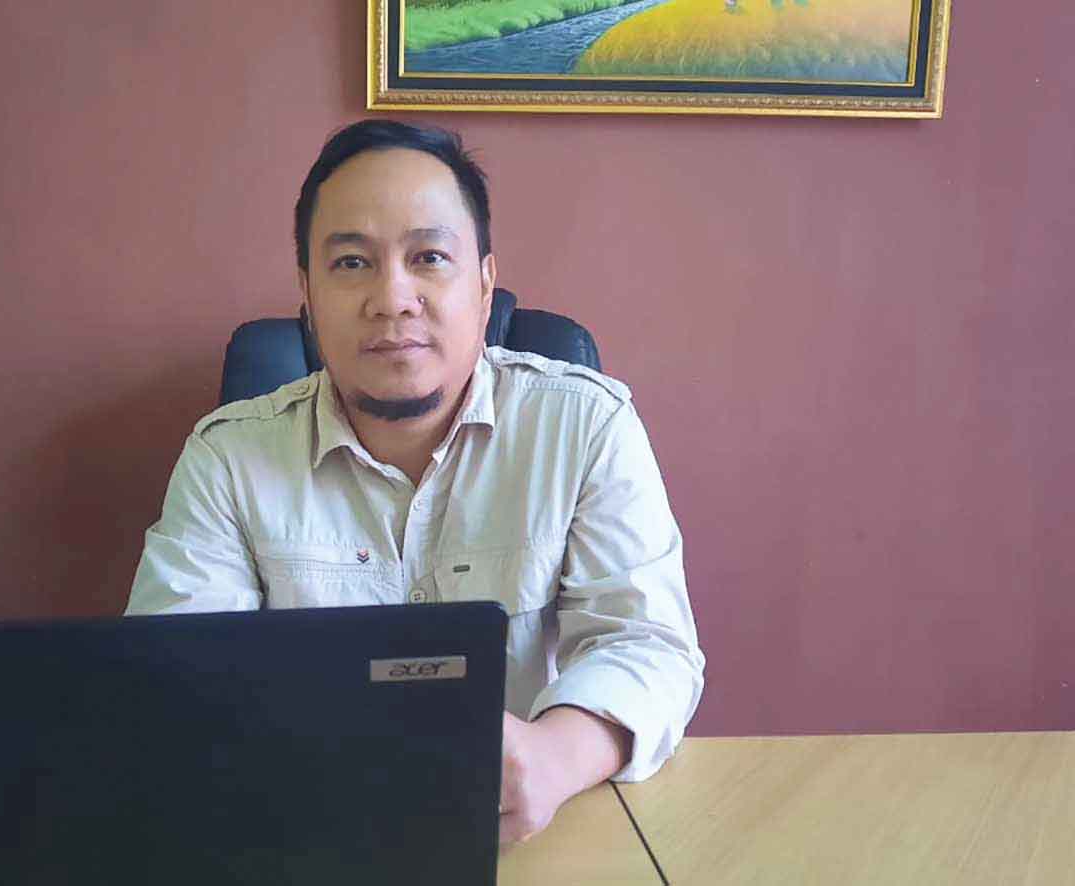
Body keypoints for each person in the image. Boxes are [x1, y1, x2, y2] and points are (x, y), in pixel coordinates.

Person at [126, 119, 705, 845]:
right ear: (307, 292)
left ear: (485, 283)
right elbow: (172, 680)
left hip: (535, 832)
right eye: (350, 263)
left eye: (429, 257)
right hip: (298, 828)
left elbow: (649, 644)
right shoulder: (227, 457)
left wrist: (554, 757)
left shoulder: (585, 426)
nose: (392, 298)